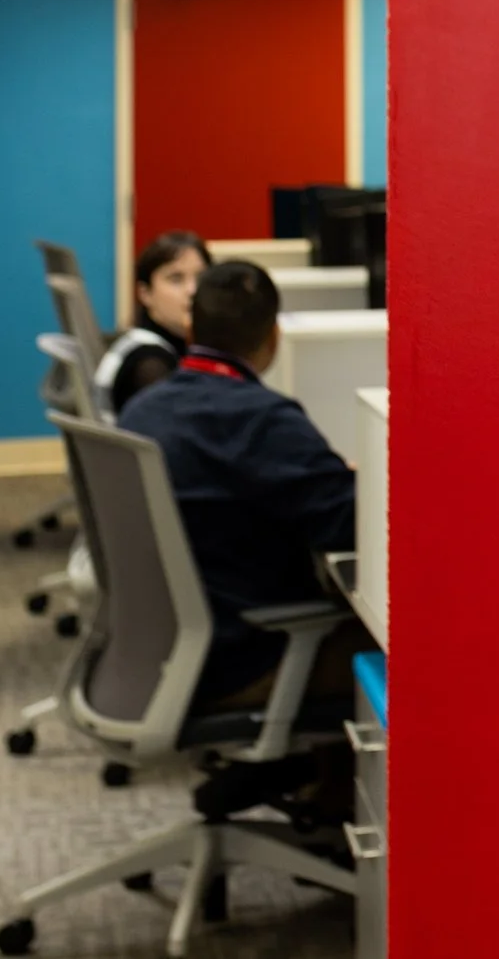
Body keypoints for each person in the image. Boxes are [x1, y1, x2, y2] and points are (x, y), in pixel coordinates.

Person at [119, 260, 365, 710]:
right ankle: (322, 776)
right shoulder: (263, 420)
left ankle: (301, 774)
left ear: (191, 331)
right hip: (247, 656)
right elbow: (349, 524)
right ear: (273, 336)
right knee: (421, 653)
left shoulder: (143, 409)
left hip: (165, 650)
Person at [96, 230, 207, 415]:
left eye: (201, 278)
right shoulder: (149, 362)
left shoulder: (158, 344)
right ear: (145, 294)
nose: (192, 290)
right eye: (176, 279)